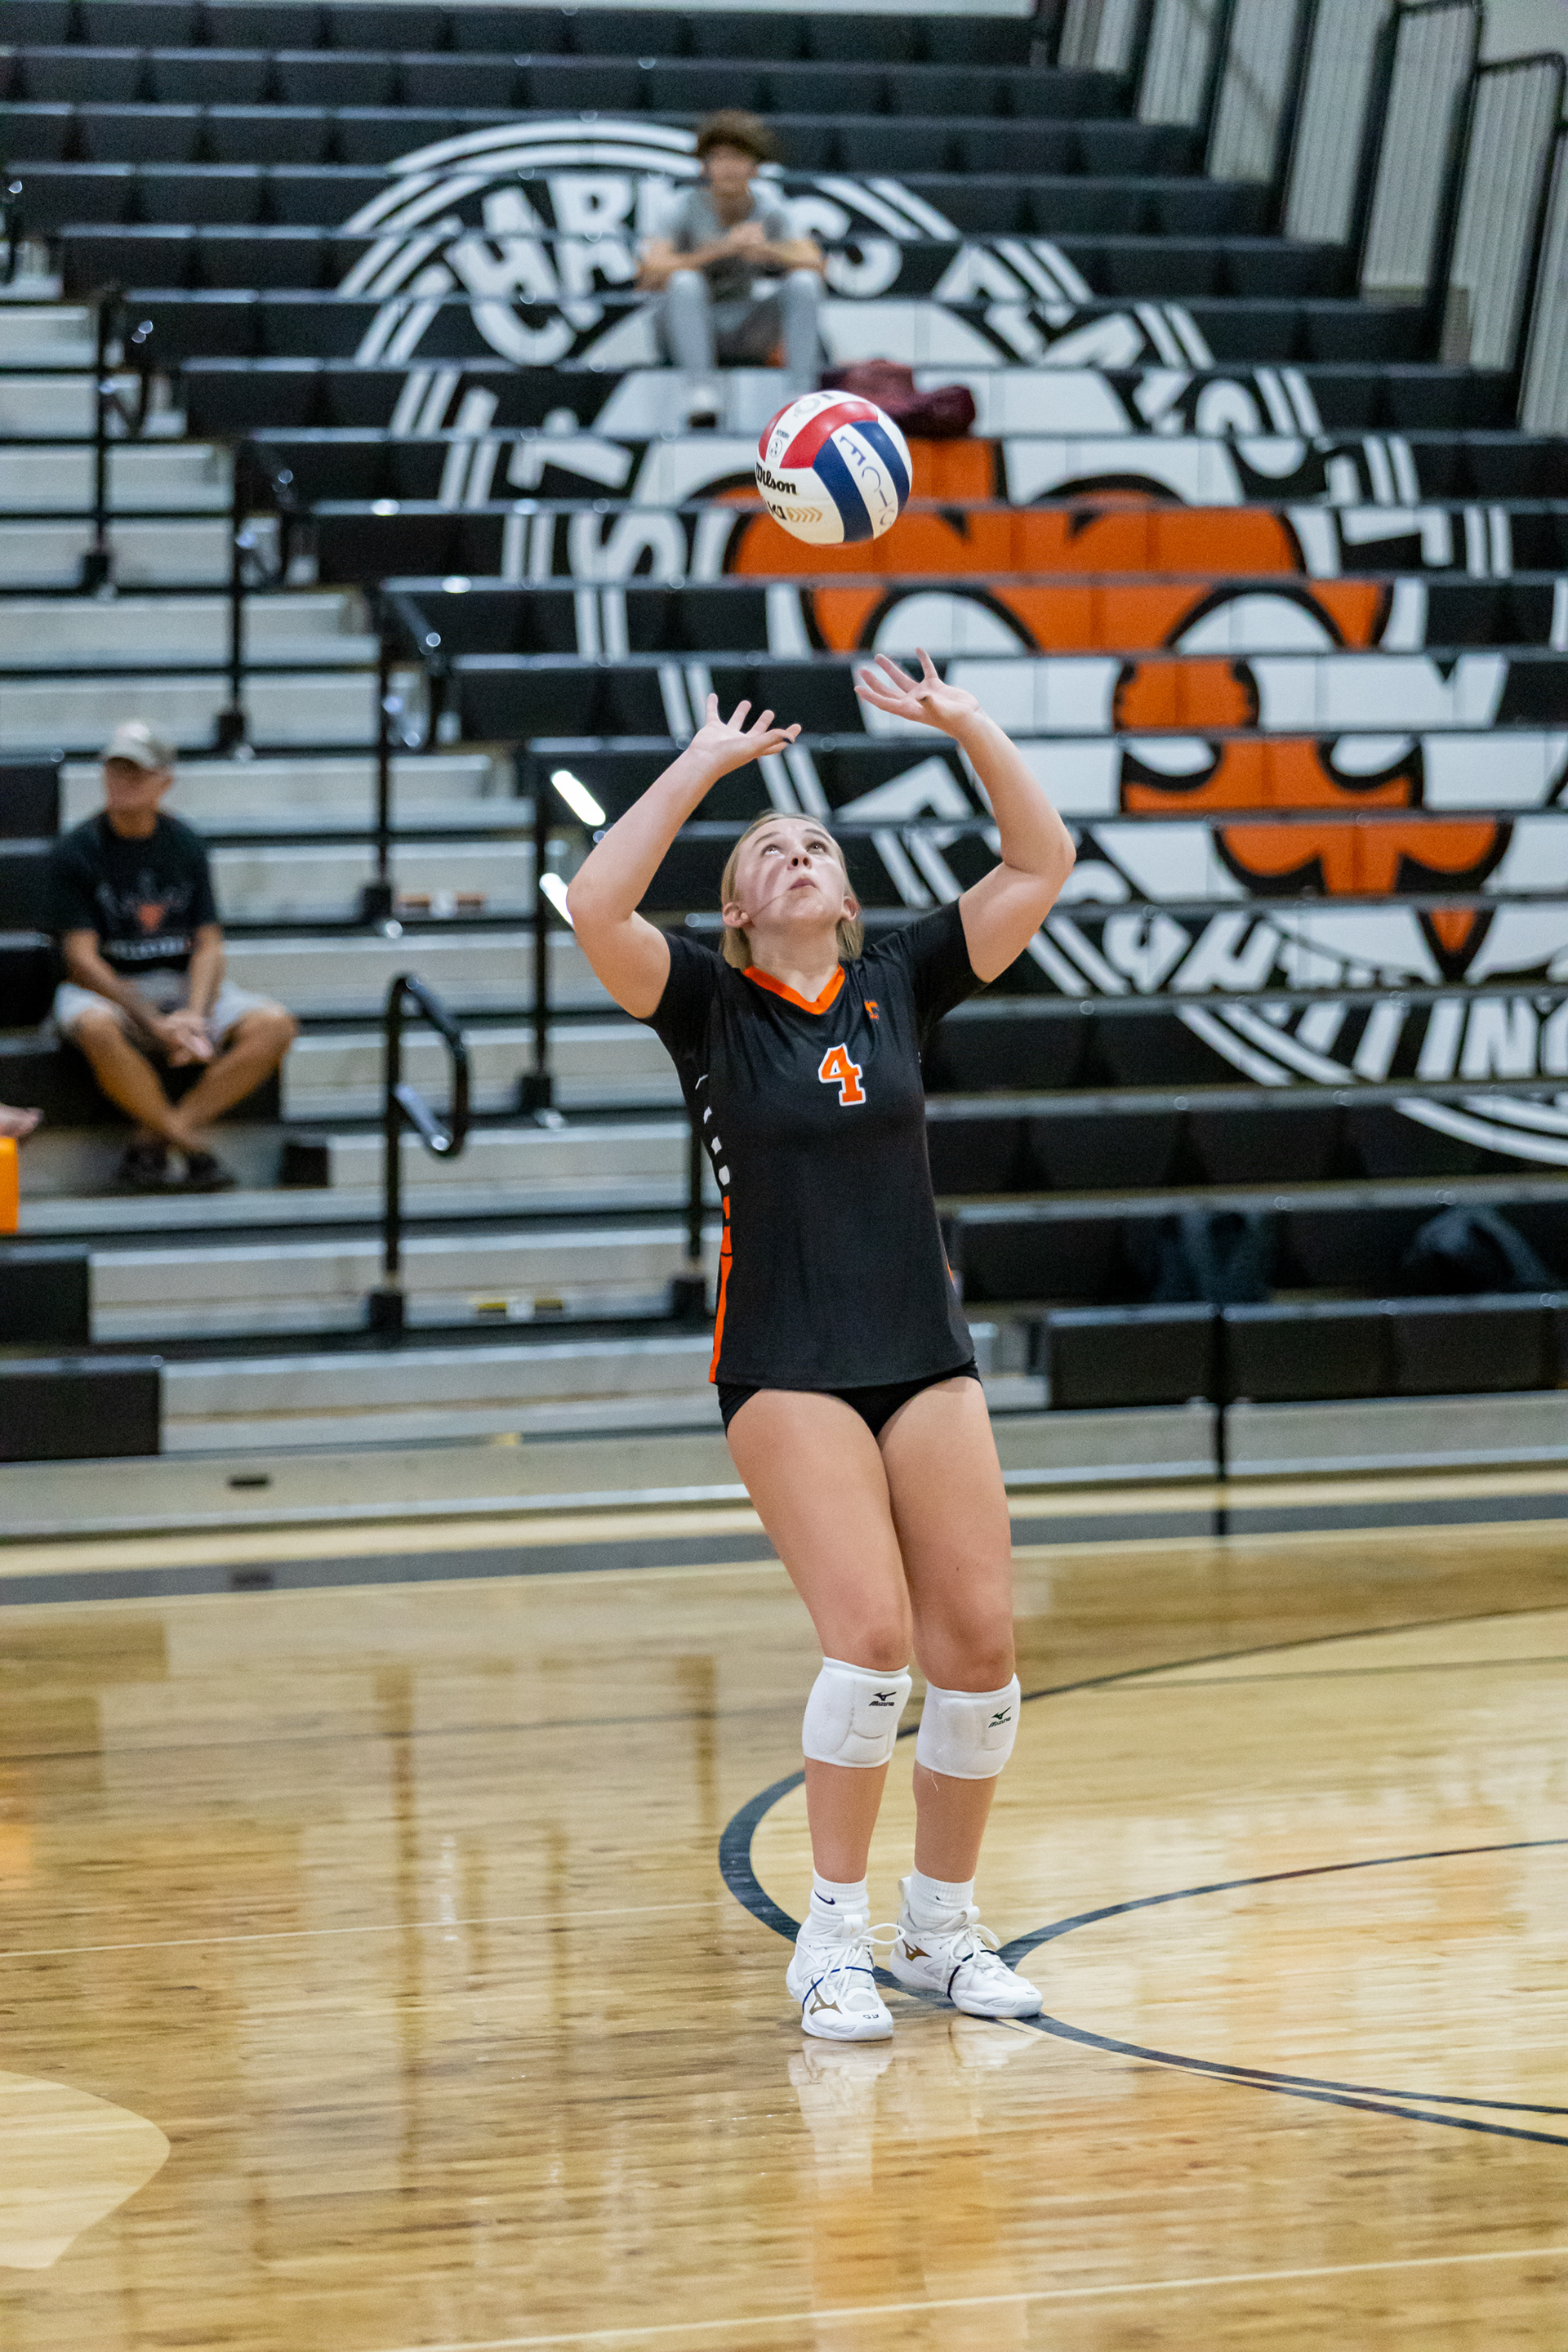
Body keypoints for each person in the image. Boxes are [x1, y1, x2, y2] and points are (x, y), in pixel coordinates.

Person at [568, 653, 1076, 2041]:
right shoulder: (706, 1006)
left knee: (980, 1652)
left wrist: (968, 724)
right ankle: (831, 1938)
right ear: (737, 910)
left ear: (848, 900)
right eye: (770, 852)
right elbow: (598, 902)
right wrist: (702, 768)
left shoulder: (899, 979)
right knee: (870, 1643)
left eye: (818, 848)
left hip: (920, 1348)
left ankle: (940, 1931)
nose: (797, 855)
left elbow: (1041, 861)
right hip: (785, 1357)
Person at [46, 721, 298, 1194]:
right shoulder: (77, 851)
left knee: (276, 1025)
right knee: (95, 1026)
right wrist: (151, 1020)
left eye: (135, 773)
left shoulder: (185, 844)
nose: (122, 782)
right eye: (115, 771)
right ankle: (193, 1146)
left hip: (180, 984)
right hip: (111, 985)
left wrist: (195, 1016)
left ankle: (155, 1139)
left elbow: (209, 944)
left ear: (164, 781)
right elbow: (81, 960)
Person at [638, 110, 825, 427]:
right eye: (719, 157)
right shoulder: (681, 207)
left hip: (748, 324)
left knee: (804, 283)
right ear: (704, 165)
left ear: (755, 166)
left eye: (738, 157)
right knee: (683, 282)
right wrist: (720, 248)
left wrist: (767, 251)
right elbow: (648, 274)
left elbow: (816, 265)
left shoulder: (770, 207)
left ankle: (799, 396)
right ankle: (699, 392)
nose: (728, 167)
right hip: (690, 326)